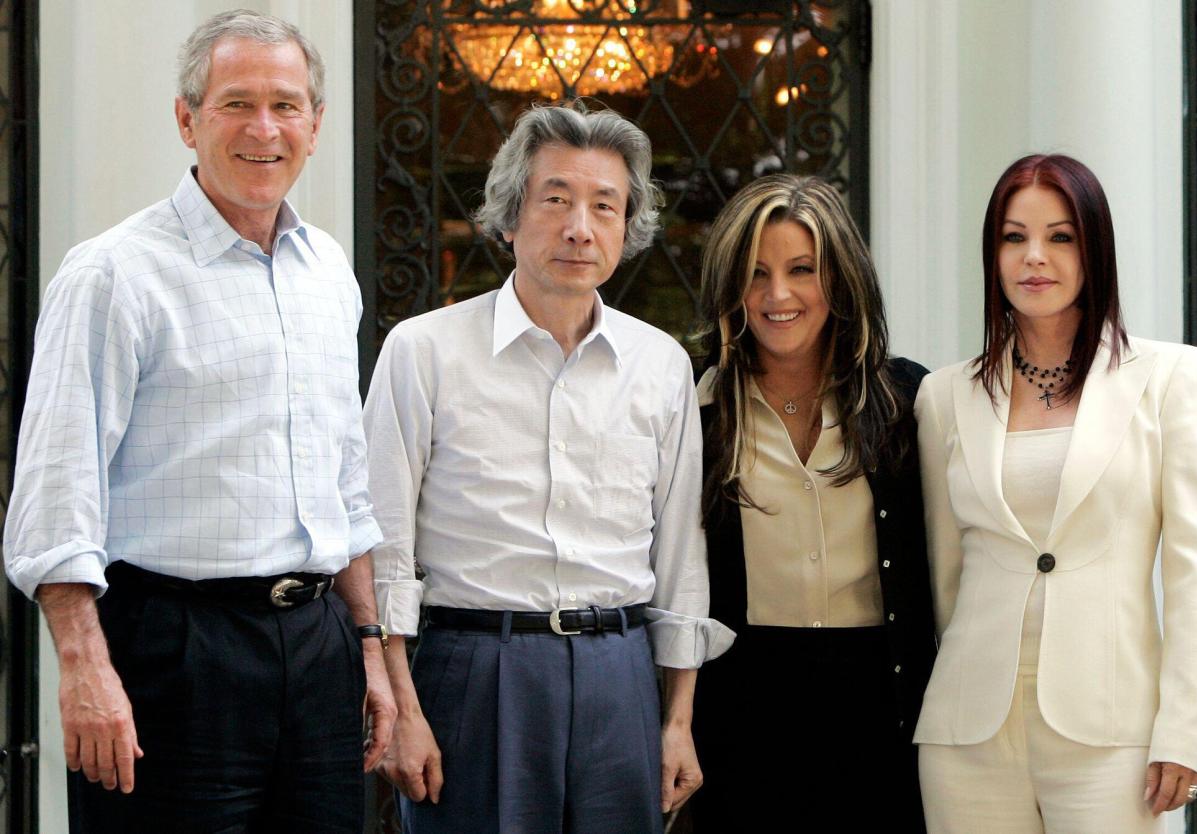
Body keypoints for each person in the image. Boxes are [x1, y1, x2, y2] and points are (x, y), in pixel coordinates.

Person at [3, 10, 395, 832]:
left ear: (317, 126)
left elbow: (346, 487)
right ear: (187, 119)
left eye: (286, 106)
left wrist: (370, 646)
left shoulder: (329, 272)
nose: (264, 129)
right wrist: (82, 667)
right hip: (175, 655)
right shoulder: (113, 275)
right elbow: (54, 491)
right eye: (235, 104)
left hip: (319, 651)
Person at [362, 100, 734, 834]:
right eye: (555, 200)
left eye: (605, 206)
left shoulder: (659, 365)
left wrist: (678, 718)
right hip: (473, 671)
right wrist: (403, 707)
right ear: (509, 216)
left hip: (619, 673)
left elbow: (682, 554)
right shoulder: (423, 351)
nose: (579, 227)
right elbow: (382, 547)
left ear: (627, 230)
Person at [915, 153, 1197, 832]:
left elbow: (1196, 572)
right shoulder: (943, 396)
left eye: (1060, 237)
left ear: (1095, 250)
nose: (1035, 257)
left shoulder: (1172, 377)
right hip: (968, 733)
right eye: (1012, 236)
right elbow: (945, 577)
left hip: (1113, 734)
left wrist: (1184, 729)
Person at [689, 174, 936, 831]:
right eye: (756, 273)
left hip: (881, 700)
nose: (778, 295)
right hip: (740, 704)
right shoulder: (695, 405)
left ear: (842, 279)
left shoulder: (909, 402)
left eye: (802, 270)